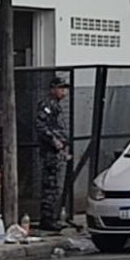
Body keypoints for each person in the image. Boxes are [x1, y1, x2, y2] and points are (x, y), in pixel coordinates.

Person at [35, 77, 72, 232]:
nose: (64, 91)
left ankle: (52, 217)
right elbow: (40, 125)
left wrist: (64, 148)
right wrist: (53, 141)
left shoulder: (56, 106)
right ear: (53, 89)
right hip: (51, 152)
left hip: (58, 151)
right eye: (60, 88)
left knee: (56, 186)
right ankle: (47, 218)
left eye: (65, 88)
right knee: (50, 186)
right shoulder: (47, 105)